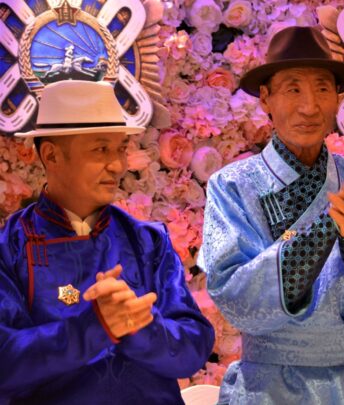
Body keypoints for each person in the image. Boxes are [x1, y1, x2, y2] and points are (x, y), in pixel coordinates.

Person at [198, 26, 344, 404]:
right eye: (293, 89)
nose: (309, 106)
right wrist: (325, 228)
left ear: (337, 97)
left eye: (322, 88)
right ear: (265, 98)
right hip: (270, 387)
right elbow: (235, 296)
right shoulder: (232, 185)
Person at [0, 80, 215, 404]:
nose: (118, 165)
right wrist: (93, 328)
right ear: (51, 155)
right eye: (101, 150)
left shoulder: (148, 241)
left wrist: (143, 327)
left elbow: (194, 348)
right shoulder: (11, 248)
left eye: (121, 149)